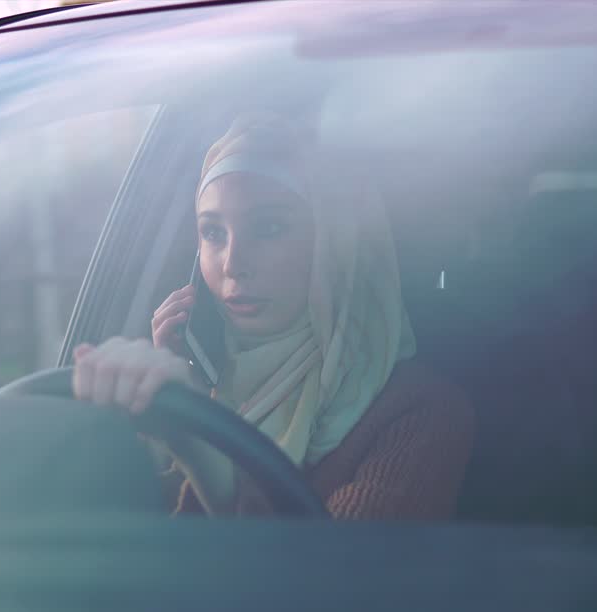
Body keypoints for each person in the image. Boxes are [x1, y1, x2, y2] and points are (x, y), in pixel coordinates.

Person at [71, 114, 474, 520]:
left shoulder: (421, 412)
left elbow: (339, 577)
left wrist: (200, 448)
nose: (233, 264)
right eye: (213, 233)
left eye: (269, 227)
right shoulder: (203, 390)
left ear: (335, 248)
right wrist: (171, 410)